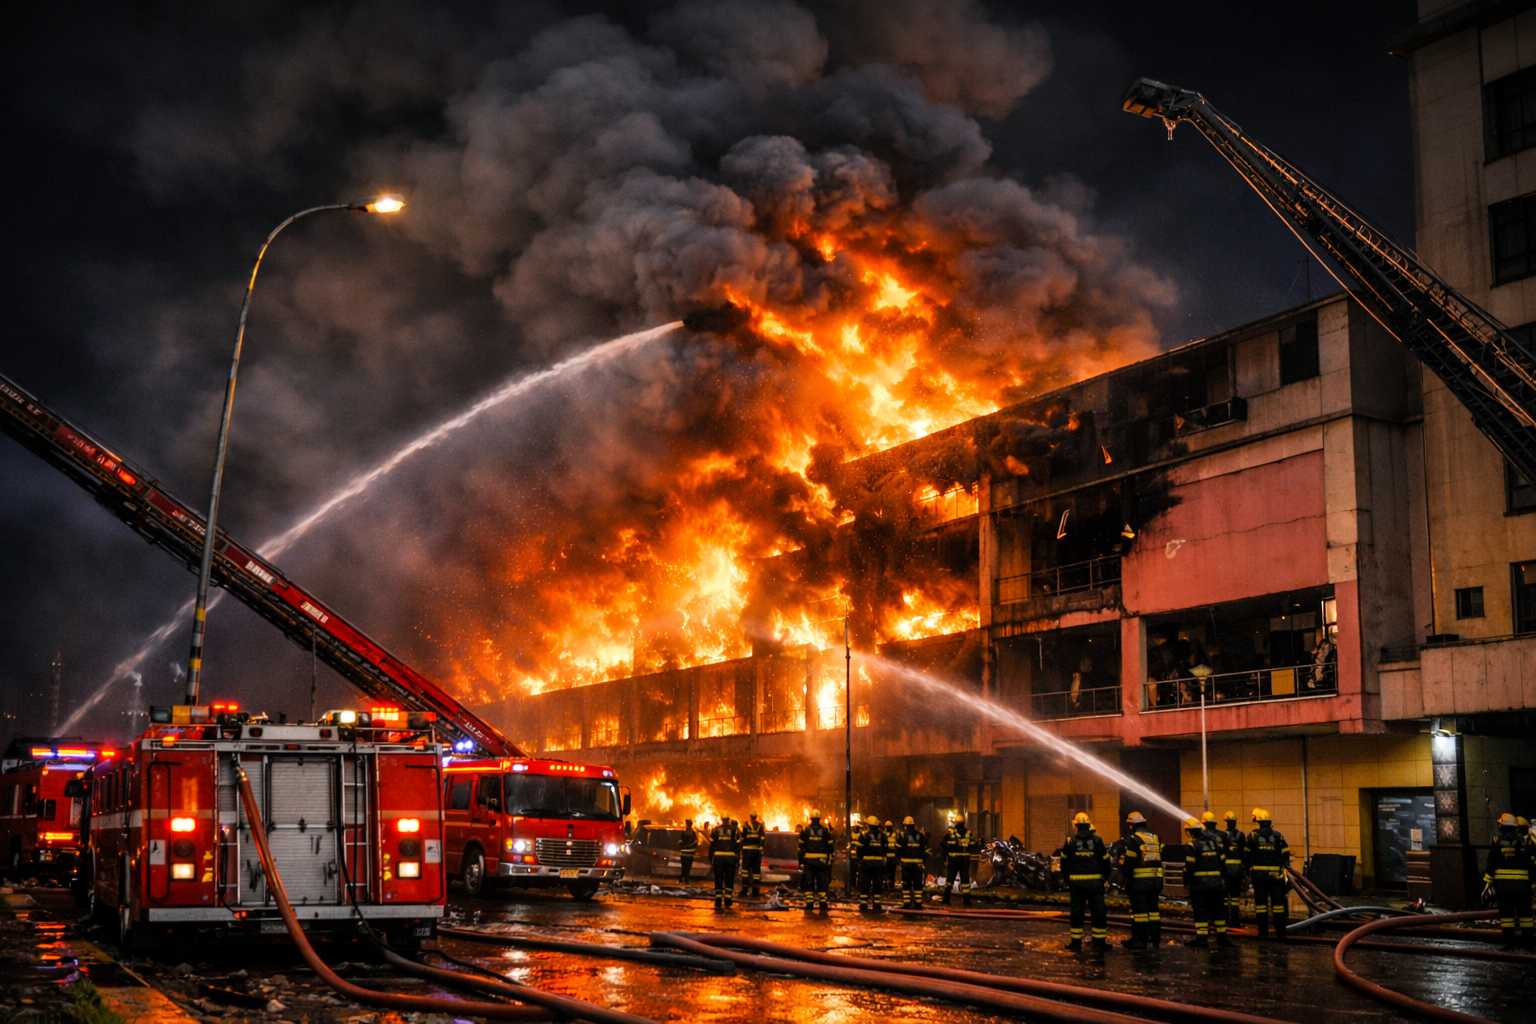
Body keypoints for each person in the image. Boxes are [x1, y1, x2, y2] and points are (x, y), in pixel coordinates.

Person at [1058, 812, 1111, 951]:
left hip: (1076, 885)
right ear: (1088, 825)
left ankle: (1075, 943)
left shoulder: (1070, 841)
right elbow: (1106, 862)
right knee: (1098, 912)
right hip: (1095, 884)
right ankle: (1099, 943)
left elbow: (1063, 863)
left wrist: (1067, 879)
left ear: (1076, 825)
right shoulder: (1098, 840)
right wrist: (1104, 878)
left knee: (1077, 913)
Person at [1483, 811, 1533, 946]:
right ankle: (1528, 943)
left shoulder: (1497, 841)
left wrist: (1487, 884)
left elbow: (1491, 863)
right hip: (1523, 886)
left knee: (1507, 916)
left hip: (1503, 887)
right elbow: (1531, 863)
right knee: (1526, 915)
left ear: (1502, 826)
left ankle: (1509, 943)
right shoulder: (1525, 841)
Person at [1117, 811, 1163, 950]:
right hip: (1156, 881)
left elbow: (1130, 862)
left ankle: (1139, 941)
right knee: (1153, 911)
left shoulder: (1134, 839)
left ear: (1131, 825)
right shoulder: (1155, 838)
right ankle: (1155, 939)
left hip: (1139, 882)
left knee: (1140, 913)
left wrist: (1124, 877)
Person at [1184, 817, 1229, 948]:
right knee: (1219, 911)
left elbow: (1190, 866)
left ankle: (1202, 939)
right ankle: (1222, 938)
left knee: (1201, 911)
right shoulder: (1214, 843)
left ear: (1191, 831)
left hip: (1200, 885)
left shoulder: (1192, 845)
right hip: (1217, 884)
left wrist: (1186, 881)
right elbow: (1223, 862)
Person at [1247, 808, 1291, 940]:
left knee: (1261, 906)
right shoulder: (1278, 835)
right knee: (1278, 905)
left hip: (1259, 878)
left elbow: (1246, 855)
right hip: (1275, 877)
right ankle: (1281, 932)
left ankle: (1263, 932)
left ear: (1258, 822)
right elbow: (1286, 854)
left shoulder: (1252, 836)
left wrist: (1249, 871)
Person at [797, 811, 834, 912]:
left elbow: (801, 846)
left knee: (809, 882)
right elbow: (831, 846)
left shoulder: (805, 830)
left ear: (811, 819)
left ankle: (809, 904)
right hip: (822, 862)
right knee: (823, 882)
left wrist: (801, 861)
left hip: (809, 861)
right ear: (819, 819)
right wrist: (828, 859)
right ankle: (823, 904)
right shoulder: (825, 830)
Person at [941, 818, 978, 905]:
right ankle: (966, 900)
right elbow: (973, 845)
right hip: (964, 861)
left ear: (956, 823)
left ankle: (946, 900)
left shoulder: (950, 833)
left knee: (950, 880)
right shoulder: (968, 833)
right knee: (965, 881)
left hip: (953, 860)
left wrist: (946, 856)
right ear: (964, 823)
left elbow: (943, 844)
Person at [1220, 810, 1247, 932]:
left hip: (1226, 871)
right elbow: (1244, 854)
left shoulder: (1222, 835)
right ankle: (1235, 921)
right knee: (1235, 898)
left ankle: (1224, 920)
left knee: (1225, 897)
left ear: (1227, 822)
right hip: (1237, 871)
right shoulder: (1241, 835)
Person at [894, 816, 927, 909]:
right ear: (913, 825)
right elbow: (925, 850)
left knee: (906, 884)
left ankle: (907, 903)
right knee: (917, 884)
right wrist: (924, 862)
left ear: (905, 825)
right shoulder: (920, 835)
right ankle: (918, 903)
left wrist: (898, 862)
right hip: (918, 865)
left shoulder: (901, 835)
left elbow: (898, 850)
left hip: (906, 865)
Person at [856, 815, 887, 911]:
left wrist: (860, 860)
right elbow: (885, 849)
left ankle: (863, 905)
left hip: (866, 863)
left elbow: (859, 850)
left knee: (865, 883)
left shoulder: (863, 835)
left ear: (868, 825)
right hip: (878, 863)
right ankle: (877, 905)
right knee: (877, 883)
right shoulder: (883, 835)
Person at [709, 816, 741, 910]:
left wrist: (711, 858)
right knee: (729, 878)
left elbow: (712, 846)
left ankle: (718, 901)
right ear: (729, 820)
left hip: (718, 858)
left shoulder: (715, 829)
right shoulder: (735, 830)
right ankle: (728, 900)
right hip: (730, 858)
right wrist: (737, 858)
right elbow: (738, 845)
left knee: (718, 878)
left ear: (722, 820)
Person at [739, 812, 766, 898]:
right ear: (756, 817)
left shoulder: (745, 825)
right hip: (756, 852)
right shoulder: (760, 826)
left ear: (750, 817)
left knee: (745, 872)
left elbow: (742, 838)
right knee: (756, 872)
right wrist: (761, 848)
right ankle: (755, 891)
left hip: (747, 852)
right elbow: (762, 838)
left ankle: (744, 891)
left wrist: (740, 849)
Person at [678, 819, 698, 884]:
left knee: (684, 867)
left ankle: (682, 879)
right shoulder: (693, 833)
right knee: (687, 867)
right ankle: (685, 879)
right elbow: (696, 842)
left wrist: (682, 846)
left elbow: (680, 842)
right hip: (690, 853)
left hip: (684, 853)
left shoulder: (684, 832)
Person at [883, 820, 900, 892]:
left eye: (889, 827)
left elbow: (898, 845)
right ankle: (885, 885)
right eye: (887, 827)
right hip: (886, 857)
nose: (888, 828)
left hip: (893, 857)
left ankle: (891, 885)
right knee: (885, 872)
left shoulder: (895, 834)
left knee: (892, 872)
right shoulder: (883, 834)